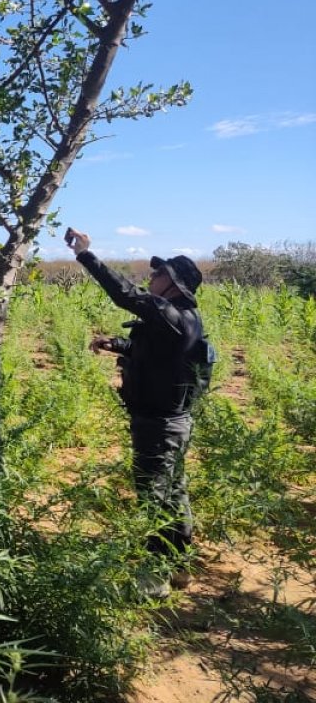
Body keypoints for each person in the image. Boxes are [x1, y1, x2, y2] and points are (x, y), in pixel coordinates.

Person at [67, 227, 207, 598]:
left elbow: (126, 295)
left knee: (153, 498)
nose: (152, 278)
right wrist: (116, 344)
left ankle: (153, 581)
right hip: (172, 422)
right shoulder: (181, 321)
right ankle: (178, 567)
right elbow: (154, 354)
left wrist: (86, 254)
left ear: (174, 284)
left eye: (159, 274)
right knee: (174, 493)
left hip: (159, 426)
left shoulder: (170, 315)